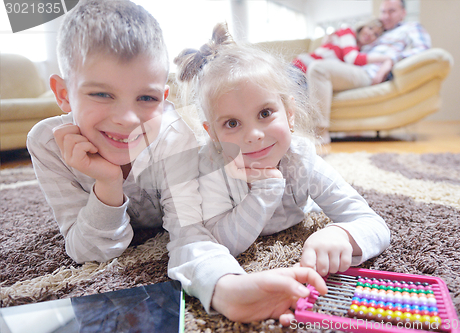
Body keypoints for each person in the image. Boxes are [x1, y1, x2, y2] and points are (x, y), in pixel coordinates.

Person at [27, 0, 326, 326]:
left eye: (146, 98)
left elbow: (191, 233)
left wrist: (226, 287)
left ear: (164, 96)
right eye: (101, 94)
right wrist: (107, 185)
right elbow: (87, 252)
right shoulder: (47, 143)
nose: (127, 120)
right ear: (63, 93)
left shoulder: (172, 138)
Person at [174, 22, 391, 325]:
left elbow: (372, 223)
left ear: (289, 114)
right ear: (212, 135)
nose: (254, 135)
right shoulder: (210, 168)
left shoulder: (301, 159)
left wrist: (341, 233)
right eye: (232, 124)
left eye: (265, 114)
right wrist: (264, 192)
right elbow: (219, 242)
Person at [308, 0, 431, 143]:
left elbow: (423, 49)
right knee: (312, 71)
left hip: (368, 74)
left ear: (403, 13)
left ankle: (320, 133)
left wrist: (391, 60)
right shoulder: (378, 32)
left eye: (391, 11)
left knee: (318, 68)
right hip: (354, 69)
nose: (386, 16)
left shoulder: (411, 27)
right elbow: (352, 52)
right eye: (383, 11)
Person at [292, 18, 389, 73]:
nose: (370, 33)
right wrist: (385, 58)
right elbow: (352, 58)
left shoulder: (359, 51)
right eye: (370, 28)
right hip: (301, 67)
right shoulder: (348, 31)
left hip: (313, 75)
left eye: (376, 34)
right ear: (363, 26)